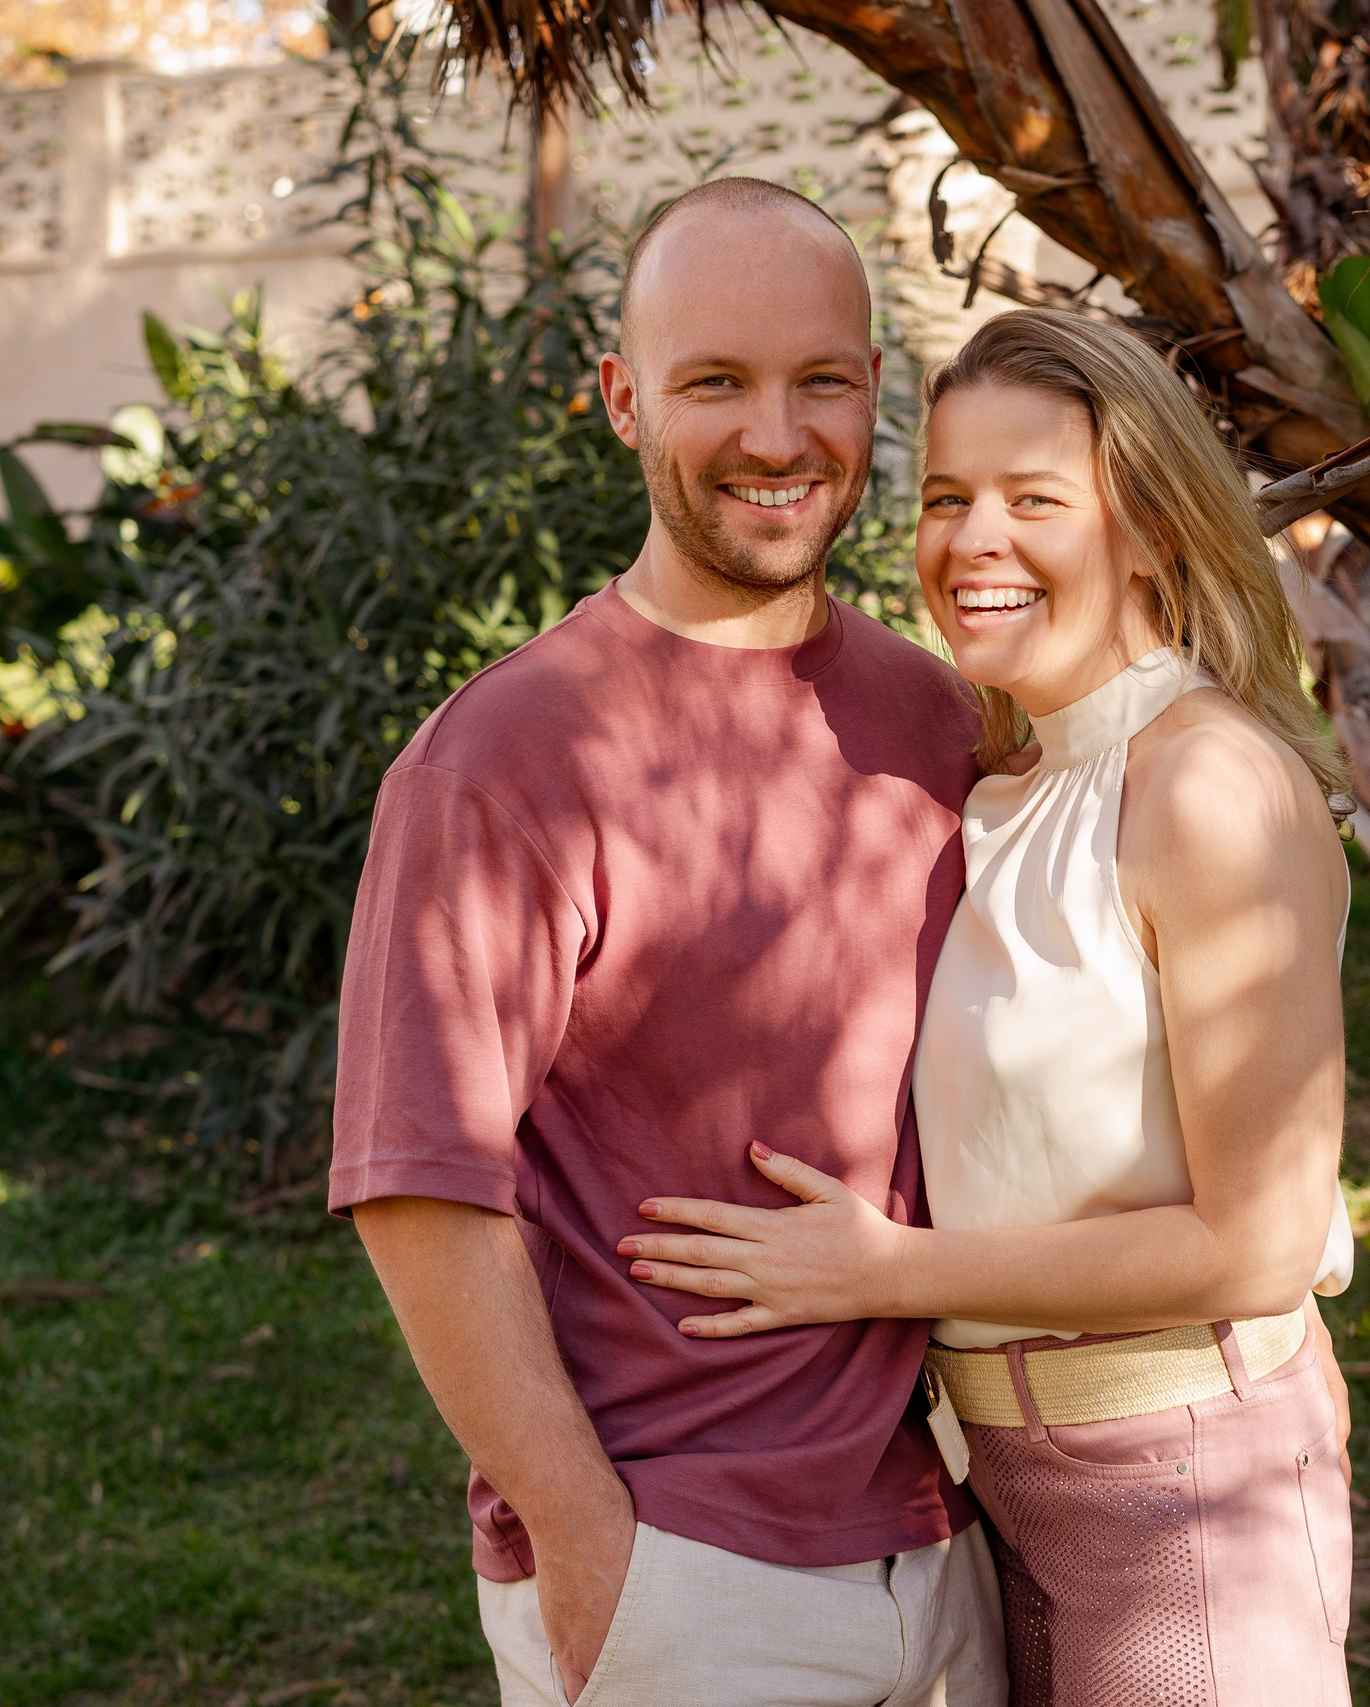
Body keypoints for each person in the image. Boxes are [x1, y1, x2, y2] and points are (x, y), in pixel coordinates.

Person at [330, 177, 1006, 1707]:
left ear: (875, 393)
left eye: (819, 380)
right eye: (716, 383)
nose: (777, 435)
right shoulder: (505, 759)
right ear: (624, 400)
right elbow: (421, 1190)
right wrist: (582, 1534)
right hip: (683, 1570)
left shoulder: (940, 717)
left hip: (951, 1537)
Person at [621, 308, 1359, 1706]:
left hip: (1185, 1487)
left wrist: (884, 1272)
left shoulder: (1202, 785)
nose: (973, 542)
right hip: (999, 1484)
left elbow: (1259, 1243)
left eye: (1035, 500)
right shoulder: (1009, 788)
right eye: (948, 498)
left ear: (1149, 528)